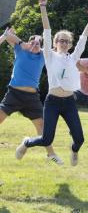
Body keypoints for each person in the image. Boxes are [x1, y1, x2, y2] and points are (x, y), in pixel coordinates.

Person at [15, 0, 88, 166]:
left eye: (67, 41)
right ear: (55, 43)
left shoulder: (73, 58)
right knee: (46, 139)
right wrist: (43, 7)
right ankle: (27, 142)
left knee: (79, 139)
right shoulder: (49, 56)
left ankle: (74, 151)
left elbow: (83, 40)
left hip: (69, 102)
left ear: (70, 44)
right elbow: (47, 31)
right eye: (61, 40)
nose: (64, 43)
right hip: (52, 102)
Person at [0, 29, 62, 164]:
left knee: (42, 127)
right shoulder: (20, 50)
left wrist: (40, 41)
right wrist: (18, 41)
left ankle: (51, 154)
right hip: (13, 94)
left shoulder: (42, 56)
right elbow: (9, 36)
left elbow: (53, 47)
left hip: (32, 98)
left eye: (38, 44)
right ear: (27, 43)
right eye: (32, 43)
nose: (35, 45)